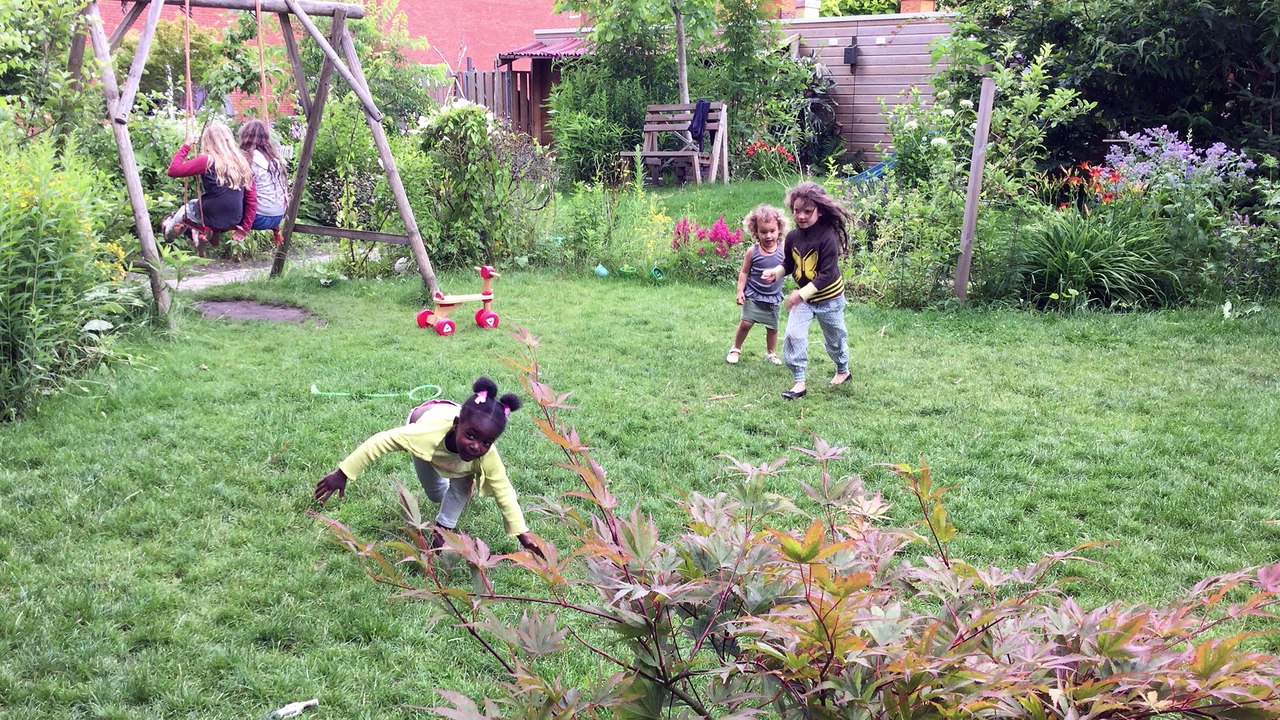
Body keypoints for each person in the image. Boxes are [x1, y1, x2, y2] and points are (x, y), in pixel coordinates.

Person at [313, 377, 540, 554]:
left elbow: (503, 490)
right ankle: (451, 490)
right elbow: (381, 441)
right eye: (471, 436)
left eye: (486, 442)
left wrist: (523, 533)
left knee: (460, 487)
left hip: (458, 448)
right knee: (435, 494)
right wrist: (343, 473)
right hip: (429, 425)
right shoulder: (423, 435)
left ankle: (443, 530)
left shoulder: (486, 454)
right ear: (457, 425)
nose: (476, 446)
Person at [760, 181, 854, 400]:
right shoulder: (792, 237)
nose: (801, 216)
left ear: (819, 211)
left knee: (835, 338)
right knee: (793, 335)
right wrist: (776, 272)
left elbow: (827, 274)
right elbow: (790, 264)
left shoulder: (827, 237)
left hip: (829, 299)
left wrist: (800, 294)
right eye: (796, 211)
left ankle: (843, 370)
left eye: (807, 211)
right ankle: (799, 382)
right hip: (804, 299)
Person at [162, 120, 257, 255]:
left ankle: (168, 231)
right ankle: (202, 235)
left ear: (208, 142)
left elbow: (173, 170)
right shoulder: (242, 162)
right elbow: (252, 199)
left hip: (212, 215)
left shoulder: (208, 160)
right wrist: (244, 229)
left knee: (185, 210)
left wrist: (187, 145)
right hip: (233, 218)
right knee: (200, 204)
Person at [727, 204, 788, 366]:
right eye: (763, 231)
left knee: (772, 328)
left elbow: (790, 267)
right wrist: (740, 290)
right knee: (746, 323)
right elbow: (744, 272)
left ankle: (771, 353)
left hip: (773, 297)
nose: (768, 236)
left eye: (772, 231)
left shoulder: (783, 250)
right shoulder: (752, 252)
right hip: (753, 294)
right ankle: (736, 348)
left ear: (779, 229)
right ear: (756, 232)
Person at [237, 118, 289, 245]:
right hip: (278, 216)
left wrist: (244, 228)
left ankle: (208, 230)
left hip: (258, 218)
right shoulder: (275, 160)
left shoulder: (248, 160)